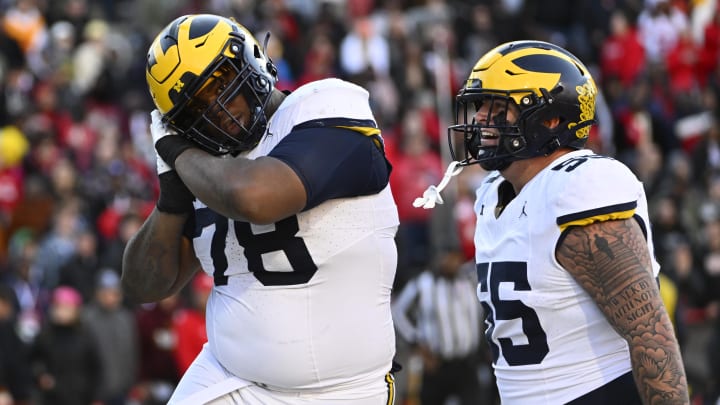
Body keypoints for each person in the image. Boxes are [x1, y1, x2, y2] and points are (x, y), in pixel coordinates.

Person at [121, 13, 399, 405]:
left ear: (251, 60)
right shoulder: (208, 169)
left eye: (221, 84)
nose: (217, 108)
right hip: (227, 378)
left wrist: (178, 152)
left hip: (343, 392)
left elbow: (255, 197)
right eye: (194, 108)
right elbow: (142, 285)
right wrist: (171, 199)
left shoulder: (325, 105)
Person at [414, 40, 690, 404]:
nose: (479, 117)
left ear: (551, 119)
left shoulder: (577, 188)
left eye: (497, 106)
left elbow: (650, 335)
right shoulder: (492, 193)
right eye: (479, 105)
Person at [391, 248, 489, 405]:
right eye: (447, 256)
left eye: (455, 256)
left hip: (467, 364)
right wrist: (415, 342)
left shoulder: (469, 280)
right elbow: (397, 312)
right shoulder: (423, 283)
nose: (452, 261)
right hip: (436, 364)